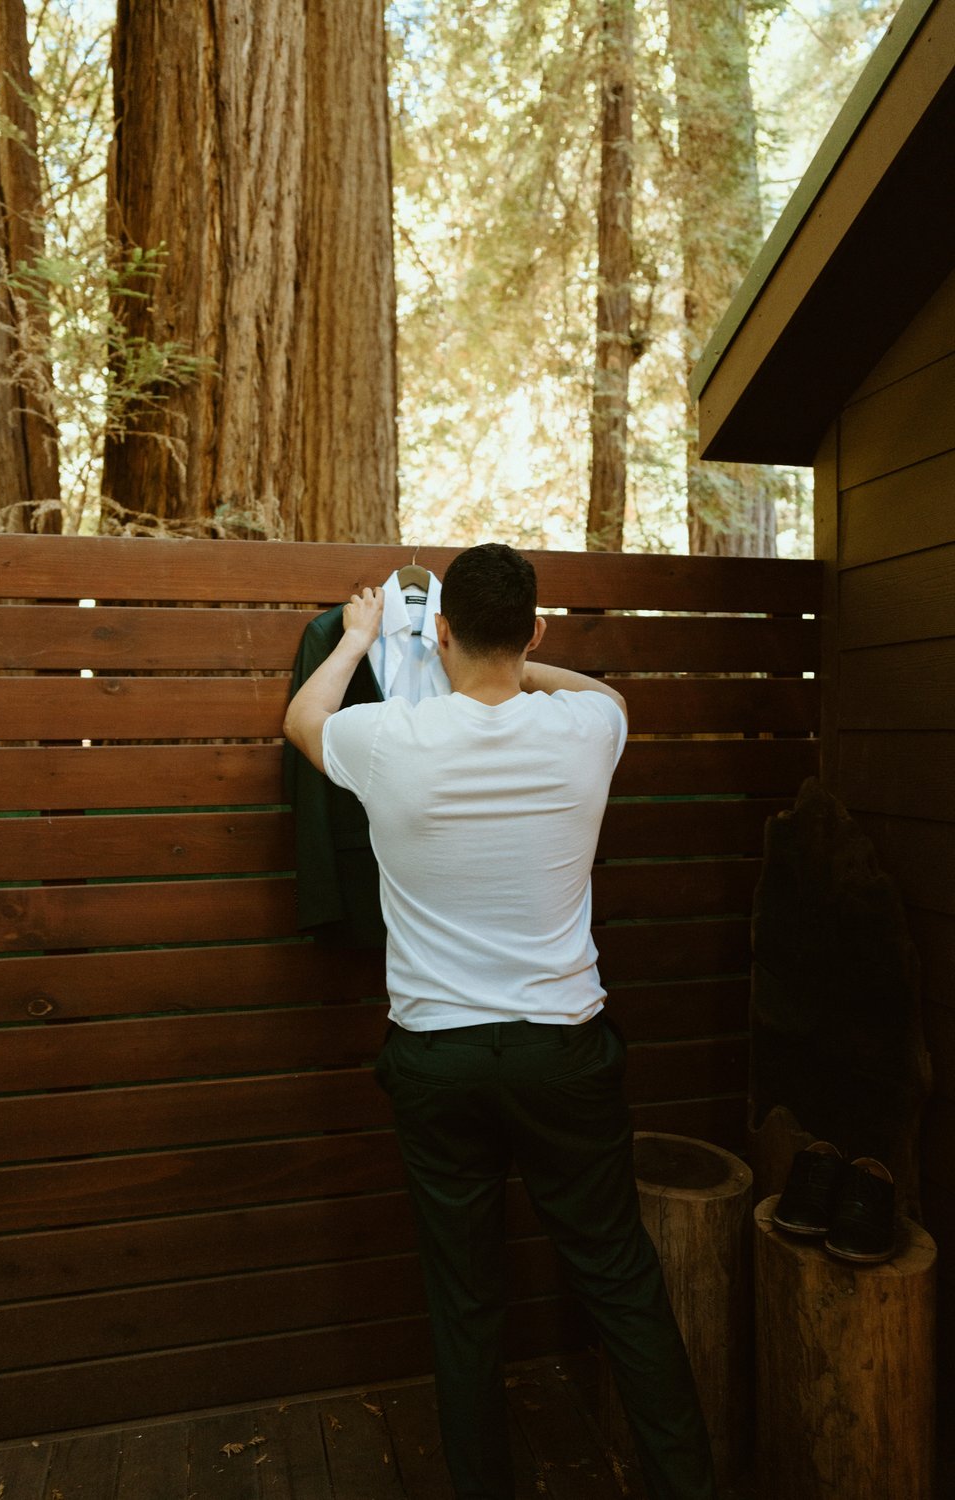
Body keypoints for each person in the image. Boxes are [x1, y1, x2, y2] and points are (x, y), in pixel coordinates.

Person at [283, 542, 716, 1500]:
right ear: (534, 631)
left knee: (467, 1304)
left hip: (436, 1063)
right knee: (621, 1283)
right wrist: (524, 657)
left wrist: (357, 639)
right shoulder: (590, 727)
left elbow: (303, 717)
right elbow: (600, 692)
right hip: (565, 1052)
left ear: (437, 633)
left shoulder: (389, 737)